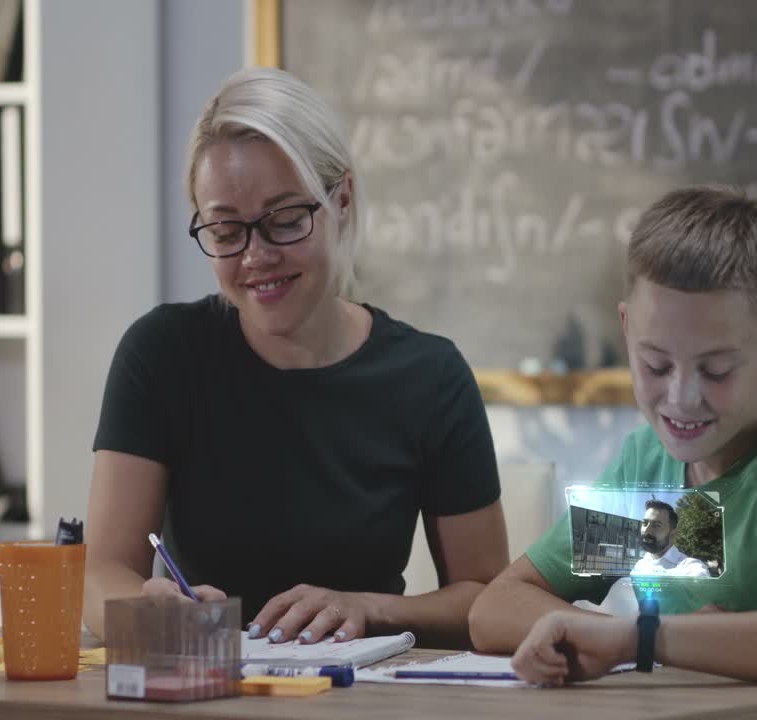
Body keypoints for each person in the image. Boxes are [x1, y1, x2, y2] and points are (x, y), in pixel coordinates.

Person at [83, 67, 509, 648]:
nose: (257, 257)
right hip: (206, 691)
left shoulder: (430, 377)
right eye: (226, 231)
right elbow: (99, 575)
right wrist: (145, 607)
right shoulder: (162, 355)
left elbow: (487, 598)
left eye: (285, 221)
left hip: (364, 697)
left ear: (343, 200)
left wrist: (370, 609)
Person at [468, 185, 757, 685]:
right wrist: (614, 637)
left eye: (715, 370)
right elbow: (495, 607)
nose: (681, 397)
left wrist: (643, 639)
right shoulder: (648, 474)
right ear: (626, 327)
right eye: (655, 364)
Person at [631, 499, 709, 577]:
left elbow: (699, 577)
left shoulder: (689, 567)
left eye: (657, 525)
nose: (646, 530)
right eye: (645, 523)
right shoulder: (639, 566)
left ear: (673, 533)